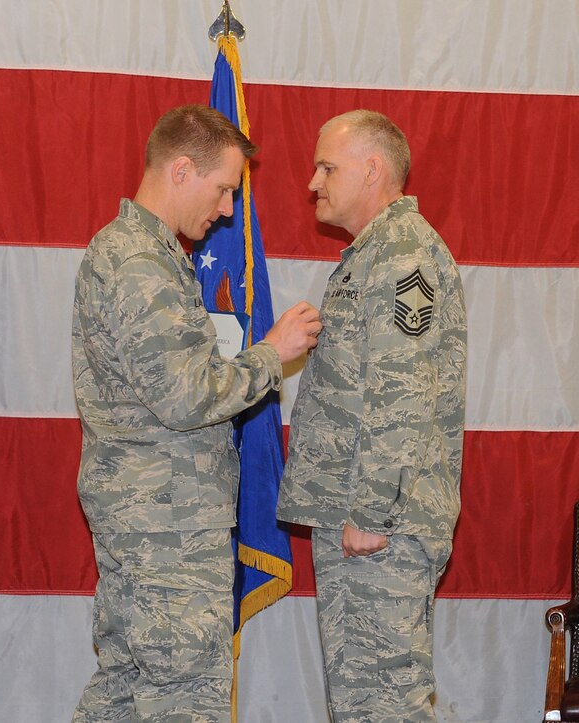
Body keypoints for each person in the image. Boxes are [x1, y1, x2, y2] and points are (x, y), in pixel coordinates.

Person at [72, 104, 321, 722]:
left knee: (125, 699)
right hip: (167, 533)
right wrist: (272, 354)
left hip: (153, 526)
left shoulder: (143, 254)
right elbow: (186, 397)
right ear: (181, 170)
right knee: (182, 701)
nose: (228, 210)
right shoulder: (140, 265)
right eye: (224, 190)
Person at [277, 110, 467, 722]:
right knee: (362, 703)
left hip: (381, 521)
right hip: (357, 515)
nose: (313, 182)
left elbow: (402, 391)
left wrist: (372, 511)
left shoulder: (404, 255)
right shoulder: (373, 254)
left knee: (385, 701)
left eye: (327, 167)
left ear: (373, 169)